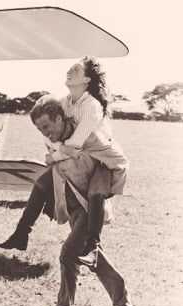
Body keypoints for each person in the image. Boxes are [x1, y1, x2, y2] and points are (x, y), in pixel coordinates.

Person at [0, 97, 136, 306]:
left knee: (69, 254)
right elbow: (54, 170)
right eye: (40, 129)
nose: (45, 133)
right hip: (71, 205)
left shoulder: (90, 138)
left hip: (91, 208)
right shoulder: (53, 140)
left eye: (47, 127)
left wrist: (104, 190)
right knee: (89, 256)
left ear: (59, 118)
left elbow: (118, 163)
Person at [42, 56, 129, 266]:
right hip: (79, 163)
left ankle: (93, 247)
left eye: (76, 70)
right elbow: (46, 131)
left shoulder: (92, 106)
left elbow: (76, 143)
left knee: (95, 194)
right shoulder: (63, 103)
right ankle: (88, 256)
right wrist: (57, 147)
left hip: (103, 160)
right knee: (76, 220)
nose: (69, 72)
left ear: (87, 79)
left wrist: (53, 155)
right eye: (69, 68)